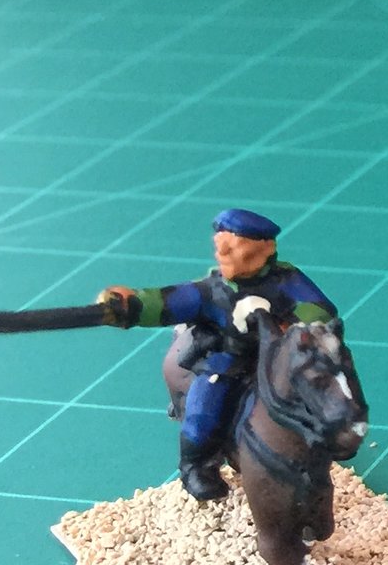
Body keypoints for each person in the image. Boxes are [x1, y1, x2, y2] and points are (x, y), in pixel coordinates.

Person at [96, 207, 343, 500]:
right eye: (219, 244)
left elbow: (320, 309)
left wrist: (285, 325)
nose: (221, 252)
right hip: (227, 362)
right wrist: (132, 305)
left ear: (264, 249)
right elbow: (169, 302)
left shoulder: (286, 279)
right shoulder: (212, 289)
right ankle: (196, 466)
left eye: (233, 245)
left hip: (279, 360)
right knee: (204, 408)